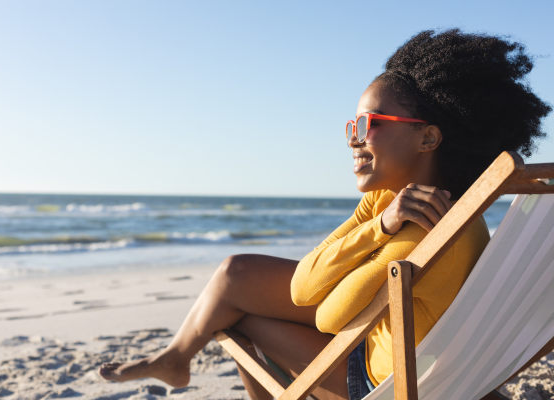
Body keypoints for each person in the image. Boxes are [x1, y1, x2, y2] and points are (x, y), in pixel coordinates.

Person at [99, 29, 551, 400]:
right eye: (351, 126)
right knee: (236, 273)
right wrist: (379, 224)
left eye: (367, 125)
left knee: (237, 318)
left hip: (385, 381)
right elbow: (304, 287)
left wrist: (383, 229)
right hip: (425, 359)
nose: (353, 140)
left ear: (428, 138)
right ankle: (176, 357)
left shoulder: (424, 233)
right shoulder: (414, 204)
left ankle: (179, 358)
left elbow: (326, 317)